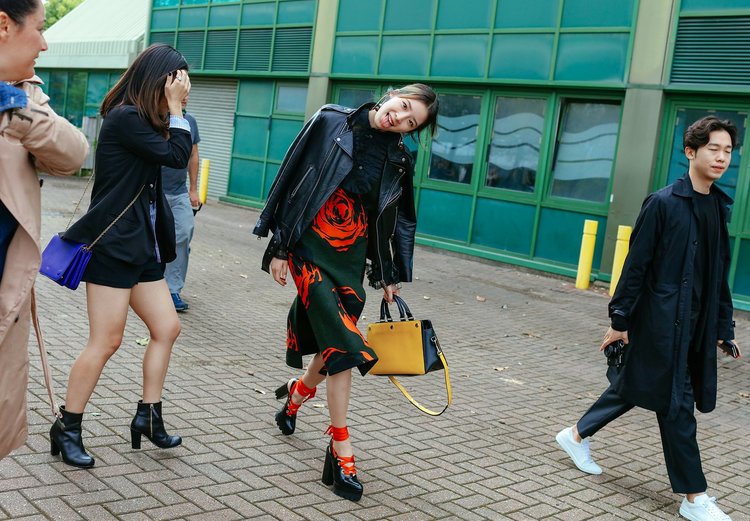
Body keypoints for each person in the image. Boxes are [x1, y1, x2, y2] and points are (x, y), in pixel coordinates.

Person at [253, 84, 439, 501]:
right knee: (342, 343)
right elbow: (291, 174)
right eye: (403, 107)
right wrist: (278, 245)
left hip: (352, 256)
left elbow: (399, 219)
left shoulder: (400, 159)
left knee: (336, 341)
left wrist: (391, 275)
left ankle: (296, 396)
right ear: (390, 94)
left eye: (411, 123)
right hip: (308, 243)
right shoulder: (331, 120)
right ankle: (341, 449)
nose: (400, 119)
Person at [555, 116, 741, 521]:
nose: (722, 157)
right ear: (691, 151)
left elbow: (716, 276)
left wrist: (724, 328)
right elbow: (635, 266)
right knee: (676, 405)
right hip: (661, 324)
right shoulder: (663, 203)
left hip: (696, 326)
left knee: (639, 386)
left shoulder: (715, 206)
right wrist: (619, 319)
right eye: (713, 148)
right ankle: (695, 498)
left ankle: (574, 435)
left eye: (728, 150)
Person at [49, 44, 192, 468]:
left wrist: (172, 110)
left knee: (167, 328)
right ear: (160, 80)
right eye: (179, 82)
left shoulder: (146, 120)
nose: (185, 91)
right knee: (106, 341)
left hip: (142, 247)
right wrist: (175, 109)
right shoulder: (126, 118)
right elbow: (177, 158)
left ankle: (148, 415)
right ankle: (67, 425)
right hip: (113, 247)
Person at [0, 0, 88, 461]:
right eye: (38, 27)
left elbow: (73, 154)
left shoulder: (25, 93)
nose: (45, 41)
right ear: (3, 25)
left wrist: (16, 114)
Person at [162, 95, 200, 312]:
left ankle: (172, 289)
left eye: (187, 93)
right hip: (151, 191)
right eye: (181, 92)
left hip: (178, 193)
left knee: (184, 232)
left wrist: (193, 188)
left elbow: (193, 155)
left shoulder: (190, 122)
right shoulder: (155, 118)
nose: (185, 96)